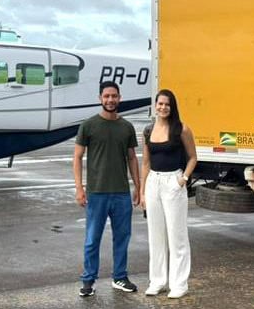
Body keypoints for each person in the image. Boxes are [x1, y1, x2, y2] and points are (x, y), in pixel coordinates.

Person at [73, 81, 141, 297]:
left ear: (120, 98)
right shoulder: (89, 125)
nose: (110, 100)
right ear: (100, 98)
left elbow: (132, 158)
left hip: (121, 193)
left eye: (114, 96)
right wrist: (79, 188)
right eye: (106, 96)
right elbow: (77, 156)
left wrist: (138, 187)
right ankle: (88, 280)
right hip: (97, 193)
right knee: (92, 239)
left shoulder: (126, 127)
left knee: (122, 237)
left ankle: (119, 277)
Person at [141, 89, 198, 298]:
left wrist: (183, 179)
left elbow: (193, 157)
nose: (163, 107)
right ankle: (157, 281)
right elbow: (145, 163)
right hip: (153, 183)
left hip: (173, 182)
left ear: (172, 107)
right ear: (155, 105)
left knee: (177, 234)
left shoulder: (181, 129)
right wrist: (142, 192)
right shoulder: (148, 131)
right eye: (160, 104)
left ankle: (179, 284)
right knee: (156, 235)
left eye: (167, 104)